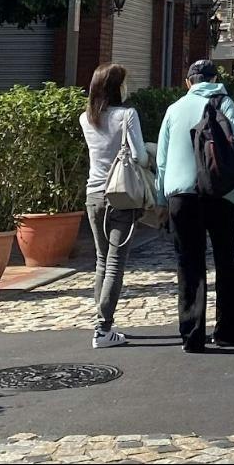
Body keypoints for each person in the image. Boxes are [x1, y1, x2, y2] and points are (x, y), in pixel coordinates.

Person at [156, 58, 234, 352]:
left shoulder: (173, 110)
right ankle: (228, 330)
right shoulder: (225, 103)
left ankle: (191, 334)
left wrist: (161, 200)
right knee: (225, 259)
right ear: (215, 78)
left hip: (181, 196)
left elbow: (161, 161)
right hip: (221, 193)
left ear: (188, 82)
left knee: (189, 262)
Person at [79, 62, 149, 349]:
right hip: (119, 195)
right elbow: (140, 156)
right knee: (116, 263)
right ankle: (103, 328)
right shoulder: (127, 115)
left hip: (93, 194)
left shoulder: (87, 118)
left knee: (101, 260)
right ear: (117, 87)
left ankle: (102, 323)